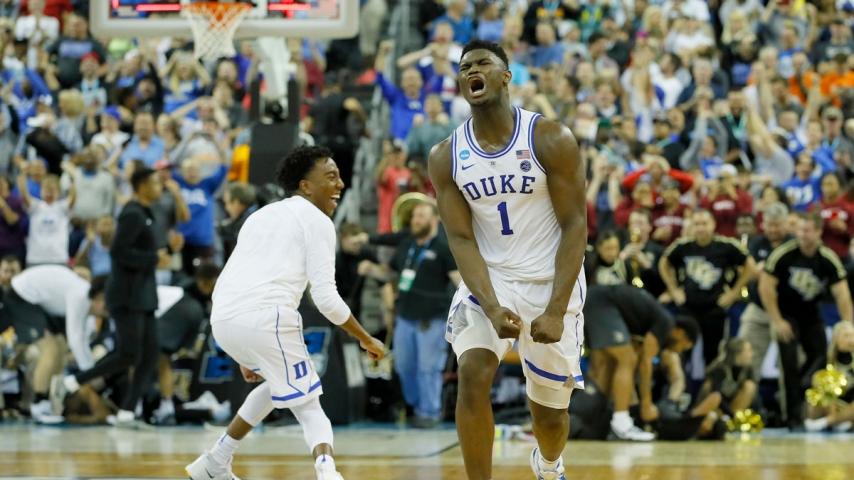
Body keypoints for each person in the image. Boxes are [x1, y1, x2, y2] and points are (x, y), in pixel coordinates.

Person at [429, 40, 587, 480]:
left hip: (550, 281)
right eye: (464, 67)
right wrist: (492, 305)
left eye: (482, 63)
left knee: (549, 418)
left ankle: (549, 464)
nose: (471, 71)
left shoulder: (550, 138)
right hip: (491, 279)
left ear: (505, 76)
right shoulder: (446, 156)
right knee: (472, 373)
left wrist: (555, 309)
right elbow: (461, 238)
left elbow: (576, 226)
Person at [185, 146, 385, 480]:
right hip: (266, 318)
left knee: (278, 385)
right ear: (305, 186)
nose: (340, 184)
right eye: (331, 177)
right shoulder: (318, 221)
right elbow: (326, 299)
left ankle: (215, 460)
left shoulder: (259, 216)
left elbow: (230, 277)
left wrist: (244, 349)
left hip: (224, 320)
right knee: (309, 406)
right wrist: (366, 338)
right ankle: (328, 473)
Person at [55, 167, 170, 427]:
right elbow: (119, 251)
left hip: (143, 295)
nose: (159, 187)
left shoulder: (145, 213)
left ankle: (126, 413)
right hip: (127, 295)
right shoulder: (132, 214)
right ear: (141, 186)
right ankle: (72, 381)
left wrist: (166, 251)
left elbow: (143, 252)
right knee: (129, 354)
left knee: (150, 354)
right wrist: (154, 259)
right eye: (154, 182)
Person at [759, 213, 853, 429]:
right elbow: (766, 287)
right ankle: (791, 417)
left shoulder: (827, 258)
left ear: (819, 232)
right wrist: (777, 320)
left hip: (811, 314)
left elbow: (842, 294)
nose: (802, 235)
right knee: (788, 362)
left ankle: (803, 389)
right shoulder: (784, 254)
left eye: (808, 230)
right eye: (800, 230)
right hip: (785, 313)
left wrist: (847, 325)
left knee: (821, 356)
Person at [584, 284, 698, 441]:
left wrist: (635, 402)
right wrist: (646, 404)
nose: (678, 351)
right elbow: (646, 363)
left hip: (593, 299)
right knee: (626, 359)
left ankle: (588, 417)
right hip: (602, 303)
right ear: (681, 333)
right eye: (683, 347)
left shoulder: (642, 324)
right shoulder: (666, 323)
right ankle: (621, 422)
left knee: (609, 365)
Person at [388, 201, 460, 428]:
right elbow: (391, 273)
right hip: (404, 316)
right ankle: (415, 406)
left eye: (421, 215)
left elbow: (458, 281)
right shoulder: (406, 245)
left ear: (434, 220)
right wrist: (372, 270)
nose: (415, 220)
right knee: (403, 366)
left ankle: (429, 412)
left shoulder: (443, 248)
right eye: (414, 216)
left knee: (428, 368)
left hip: (432, 318)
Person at [659, 209, 756, 367]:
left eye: (704, 223)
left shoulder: (726, 246)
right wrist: (673, 290)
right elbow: (663, 263)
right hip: (688, 306)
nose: (700, 228)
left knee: (713, 353)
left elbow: (750, 266)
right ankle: (680, 380)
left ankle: (710, 381)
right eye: (697, 224)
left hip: (715, 307)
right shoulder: (682, 246)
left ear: (713, 224)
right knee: (680, 350)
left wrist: (734, 293)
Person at [10, 266, 107, 423]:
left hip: (39, 302)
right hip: (22, 295)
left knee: (60, 346)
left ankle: (45, 401)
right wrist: (91, 374)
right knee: (52, 348)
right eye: (106, 308)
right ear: (99, 298)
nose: (106, 314)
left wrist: (91, 372)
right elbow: (76, 339)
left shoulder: (83, 298)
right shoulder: (81, 296)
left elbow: (81, 340)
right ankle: (39, 403)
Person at [737, 202, 790, 380]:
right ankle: (746, 394)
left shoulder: (793, 244)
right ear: (763, 224)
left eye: (777, 225)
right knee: (744, 356)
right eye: (769, 225)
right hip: (758, 308)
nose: (773, 229)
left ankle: (789, 397)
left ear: (786, 224)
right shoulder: (756, 243)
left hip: (786, 312)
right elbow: (749, 272)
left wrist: (765, 271)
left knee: (791, 363)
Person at [805, 321, 854, 432]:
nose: (850, 340)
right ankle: (838, 421)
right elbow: (807, 381)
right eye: (846, 336)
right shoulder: (826, 358)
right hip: (830, 405)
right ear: (836, 338)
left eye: (852, 336)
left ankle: (829, 422)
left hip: (850, 406)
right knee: (819, 384)